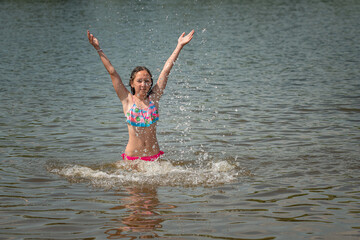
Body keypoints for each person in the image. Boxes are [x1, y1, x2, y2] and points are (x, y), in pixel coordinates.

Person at [87, 29, 194, 162]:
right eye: (139, 81)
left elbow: (166, 70)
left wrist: (179, 46)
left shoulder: (154, 98)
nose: (143, 84)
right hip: (132, 159)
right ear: (131, 83)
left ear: (151, 83)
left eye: (147, 81)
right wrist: (98, 48)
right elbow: (112, 72)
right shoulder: (127, 99)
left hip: (154, 158)